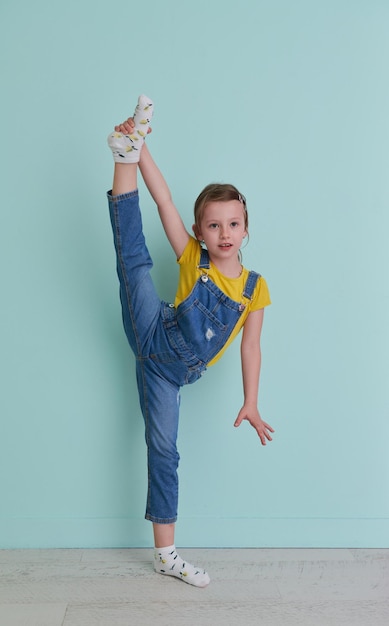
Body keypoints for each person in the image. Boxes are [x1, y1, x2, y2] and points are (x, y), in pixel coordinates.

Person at [106, 95, 274, 588]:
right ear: (200, 231)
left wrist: (251, 400)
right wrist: (141, 151)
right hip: (151, 327)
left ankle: (166, 554)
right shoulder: (191, 257)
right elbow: (163, 202)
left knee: (164, 450)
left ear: (246, 229)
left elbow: (250, 347)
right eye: (214, 225)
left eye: (234, 224)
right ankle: (122, 153)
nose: (225, 233)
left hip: (169, 374)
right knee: (133, 262)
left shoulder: (253, 288)